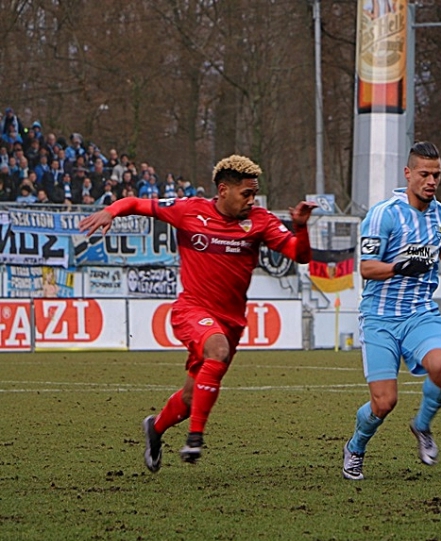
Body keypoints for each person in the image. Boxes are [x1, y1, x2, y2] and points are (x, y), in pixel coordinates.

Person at [79, 154, 317, 471]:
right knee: (216, 349)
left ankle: (156, 428)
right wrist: (110, 211)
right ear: (223, 190)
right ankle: (195, 439)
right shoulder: (189, 210)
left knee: (192, 398)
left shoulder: (260, 221)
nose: (252, 200)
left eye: (254, 194)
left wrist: (300, 228)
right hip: (192, 309)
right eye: (246, 193)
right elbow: (137, 203)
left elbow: (298, 255)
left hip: (231, 321)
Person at [342, 141, 441, 481]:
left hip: (420, 313)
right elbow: (366, 268)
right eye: (424, 174)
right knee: (383, 403)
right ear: (408, 174)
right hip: (380, 318)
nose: (431, 181)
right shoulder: (384, 214)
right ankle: (356, 447)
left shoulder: (440, 213)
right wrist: (398, 267)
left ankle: (422, 426)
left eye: (436, 174)